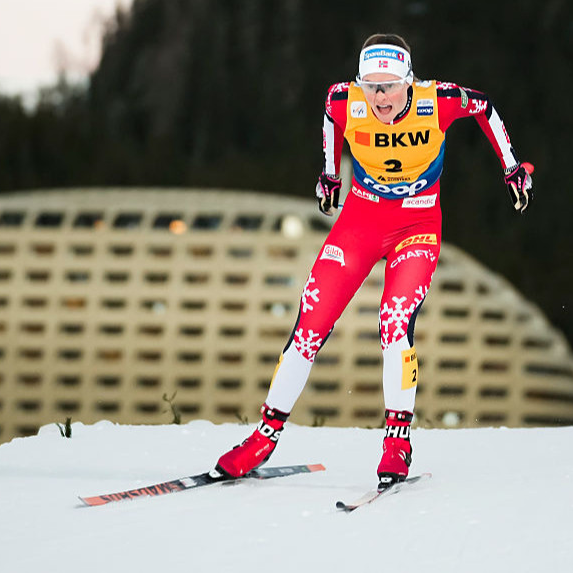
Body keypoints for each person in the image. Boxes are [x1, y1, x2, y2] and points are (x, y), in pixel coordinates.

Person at [214, 33, 534, 488]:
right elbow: (330, 115)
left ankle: (397, 442)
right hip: (361, 222)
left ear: (409, 81)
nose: (381, 97)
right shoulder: (345, 99)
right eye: (371, 86)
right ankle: (264, 437)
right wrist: (329, 172)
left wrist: (512, 168)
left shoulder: (435, 99)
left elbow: (484, 108)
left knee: (394, 323)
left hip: (417, 225)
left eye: (390, 86)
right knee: (310, 322)